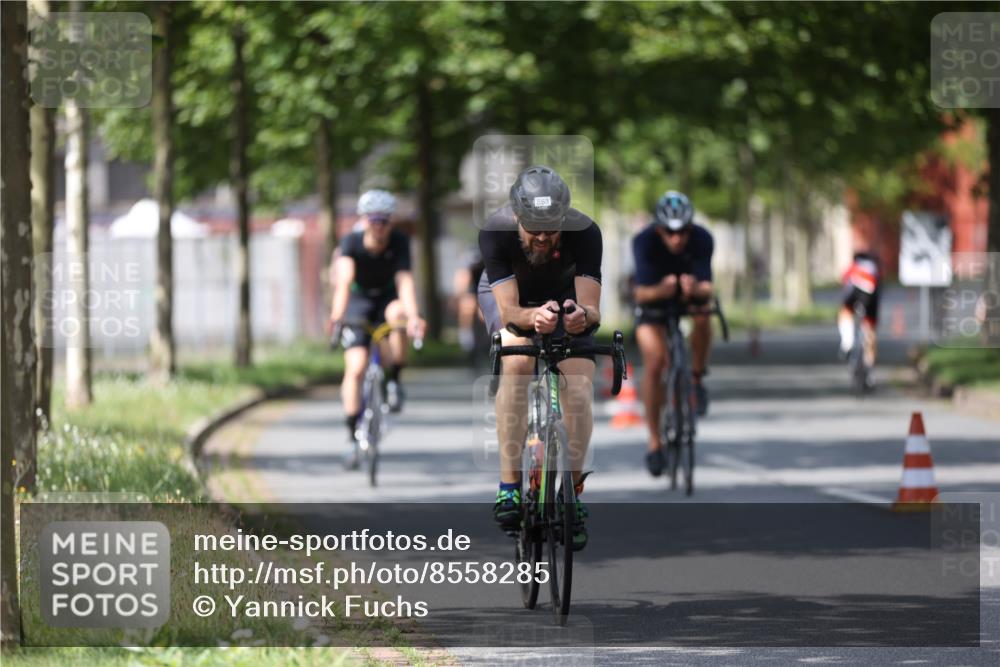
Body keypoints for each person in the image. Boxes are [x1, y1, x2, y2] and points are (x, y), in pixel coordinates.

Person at [478, 165, 602, 551]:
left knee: (578, 389)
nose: (545, 238)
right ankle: (509, 486)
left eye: (553, 229)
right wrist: (533, 318)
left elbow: (592, 308)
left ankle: (573, 495)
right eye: (534, 229)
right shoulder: (495, 232)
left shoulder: (585, 232)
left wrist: (582, 317)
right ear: (517, 218)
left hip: (564, 299)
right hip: (513, 300)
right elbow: (511, 311)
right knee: (516, 362)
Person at [329, 189, 426, 468]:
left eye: (385, 220)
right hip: (357, 303)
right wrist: (337, 317)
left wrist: (415, 317)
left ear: (391, 222)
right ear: (364, 220)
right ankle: (351, 437)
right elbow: (344, 282)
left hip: (386, 299)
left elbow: (405, 283)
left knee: (399, 314)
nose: (379, 226)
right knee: (356, 368)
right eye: (374, 220)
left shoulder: (399, 242)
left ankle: (394, 379)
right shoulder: (351, 242)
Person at [631, 191, 714, 478]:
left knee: (705, 317)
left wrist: (695, 289)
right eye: (670, 232)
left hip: (687, 299)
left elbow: (708, 288)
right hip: (653, 303)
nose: (677, 239)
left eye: (683, 232)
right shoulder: (644, 242)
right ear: (659, 229)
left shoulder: (703, 239)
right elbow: (639, 292)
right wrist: (661, 290)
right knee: (655, 363)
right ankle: (655, 442)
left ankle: (697, 377)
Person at [838, 250, 881, 377]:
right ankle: (870, 373)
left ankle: (847, 343)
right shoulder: (875, 269)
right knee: (870, 334)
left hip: (853, 295)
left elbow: (844, 281)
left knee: (845, 313)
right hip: (871, 299)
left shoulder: (853, 267)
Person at [452, 249, 486, 357]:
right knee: (467, 306)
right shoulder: (467, 264)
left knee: (485, 313)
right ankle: (466, 340)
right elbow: (462, 278)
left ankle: (488, 341)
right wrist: (458, 297)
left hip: (486, 287)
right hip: (471, 290)